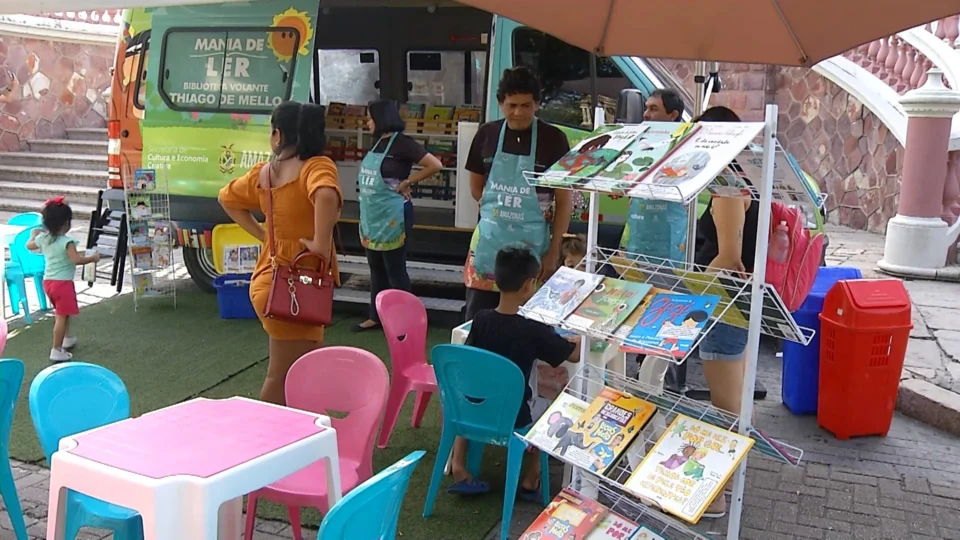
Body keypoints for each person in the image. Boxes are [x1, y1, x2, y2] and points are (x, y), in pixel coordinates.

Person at [218, 101, 342, 406]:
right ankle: (267, 437)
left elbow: (226, 198)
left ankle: (292, 433)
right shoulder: (316, 166)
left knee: (297, 370)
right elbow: (325, 194)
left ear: (278, 135)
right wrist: (321, 244)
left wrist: (264, 236)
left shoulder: (265, 174)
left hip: (275, 280)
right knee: (284, 373)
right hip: (295, 287)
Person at [450, 247, 581, 496]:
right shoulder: (532, 328)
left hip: (475, 409)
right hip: (515, 415)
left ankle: (458, 465)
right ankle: (531, 478)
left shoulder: (481, 319)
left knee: (469, 394)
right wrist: (582, 337)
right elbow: (572, 355)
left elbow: (469, 361)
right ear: (529, 285)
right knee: (558, 406)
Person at [463, 66, 573, 321]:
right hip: (489, 246)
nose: (518, 112)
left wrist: (553, 250)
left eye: (526, 105)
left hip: (533, 249)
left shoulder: (554, 139)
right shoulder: (486, 135)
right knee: (478, 320)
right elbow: (476, 189)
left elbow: (564, 201)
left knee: (528, 324)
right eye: (511, 105)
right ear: (501, 103)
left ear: (537, 103)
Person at [692, 105, 758, 518]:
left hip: (724, 306)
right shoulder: (740, 181)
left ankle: (718, 493)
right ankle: (725, 485)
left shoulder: (729, 187)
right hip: (734, 305)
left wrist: (689, 288)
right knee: (730, 402)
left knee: (725, 405)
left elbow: (729, 257)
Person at [619, 88, 689, 390]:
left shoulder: (688, 148)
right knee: (638, 311)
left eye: (653, 109)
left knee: (670, 313)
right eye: (646, 108)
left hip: (669, 244)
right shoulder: (640, 145)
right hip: (638, 238)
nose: (646, 114)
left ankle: (670, 384)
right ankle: (638, 375)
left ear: (672, 116)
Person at [353, 99, 443, 332]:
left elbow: (435, 165)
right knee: (376, 268)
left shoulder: (402, 143)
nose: (368, 121)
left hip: (393, 216)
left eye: (371, 117)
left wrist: (408, 182)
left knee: (395, 270)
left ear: (381, 118)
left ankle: (405, 321)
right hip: (373, 216)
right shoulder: (376, 144)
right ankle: (376, 315)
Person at [27, 197, 100, 362]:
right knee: (61, 316)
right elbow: (76, 260)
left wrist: (33, 234)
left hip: (49, 283)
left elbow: (29, 245)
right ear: (67, 223)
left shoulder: (44, 239)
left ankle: (66, 339)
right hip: (63, 284)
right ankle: (56, 349)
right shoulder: (68, 242)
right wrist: (93, 258)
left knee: (62, 313)